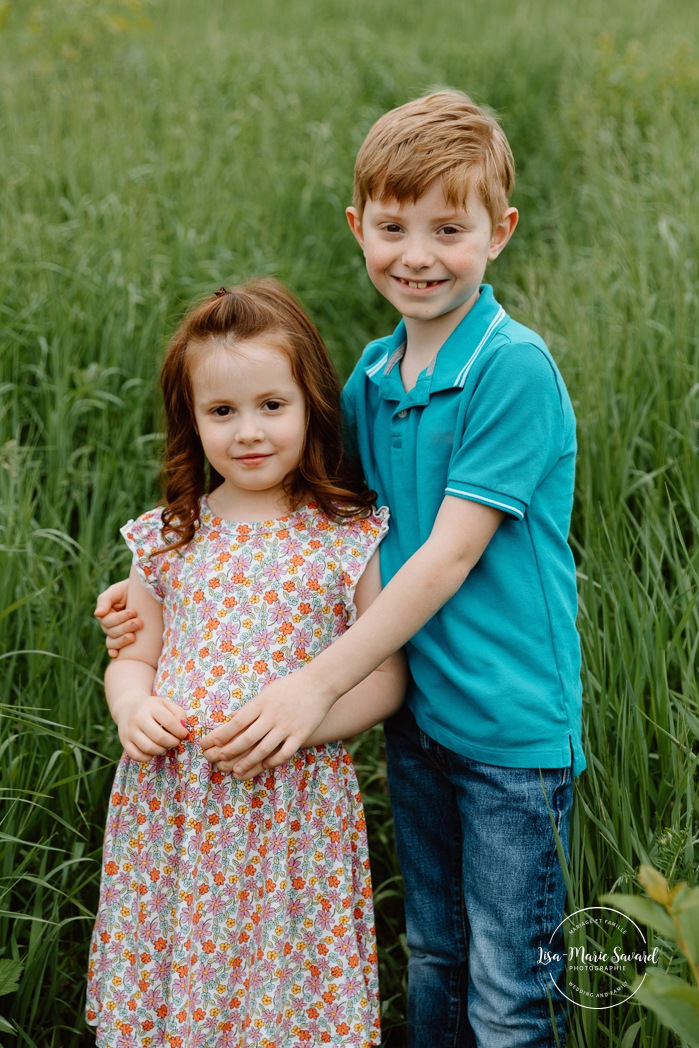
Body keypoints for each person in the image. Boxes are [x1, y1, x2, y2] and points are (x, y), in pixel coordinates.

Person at [98, 90, 586, 1047]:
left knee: (508, 980)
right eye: (394, 226)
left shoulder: (508, 369)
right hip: (422, 719)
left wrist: (309, 690)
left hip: (506, 722)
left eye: (449, 228)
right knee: (437, 953)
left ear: (501, 232)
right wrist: (148, 595)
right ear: (358, 228)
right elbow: (313, 524)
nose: (417, 254)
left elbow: (445, 556)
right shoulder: (372, 376)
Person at [86, 278, 406, 1048]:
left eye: (271, 405)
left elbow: (386, 674)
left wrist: (304, 725)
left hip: (292, 808)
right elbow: (133, 656)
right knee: (177, 988)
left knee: (280, 995)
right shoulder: (168, 536)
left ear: (309, 405)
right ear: (191, 421)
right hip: (177, 810)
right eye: (221, 412)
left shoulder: (344, 532)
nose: (248, 431)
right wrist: (132, 705)